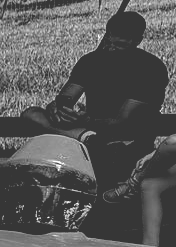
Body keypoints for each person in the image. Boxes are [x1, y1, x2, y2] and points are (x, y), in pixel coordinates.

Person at [24, 10, 168, 197]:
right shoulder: (91, 61)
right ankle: (88, 138)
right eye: (109, 41)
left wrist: (88, 119)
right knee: (31, 114)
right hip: (90, 128)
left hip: (129, 137)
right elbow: (66, 96)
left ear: (138, 41)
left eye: (120, 45)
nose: (112, 48)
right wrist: (59, 109)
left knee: (114, 143)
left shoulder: (150, 68)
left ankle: (89, 140)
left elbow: (122, 121)